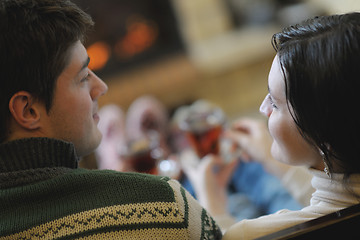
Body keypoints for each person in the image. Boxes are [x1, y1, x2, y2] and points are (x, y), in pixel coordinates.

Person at [0, 0, 222, 239]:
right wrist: (214, 206)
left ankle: (112, 159)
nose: (101, 87)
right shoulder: (163, 205)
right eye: (83, 77)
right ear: (28, 111)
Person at [185, 12, 360, 239]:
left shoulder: (248, 235)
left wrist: (212, 206)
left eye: (275, 103)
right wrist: (271, 157)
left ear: (322, 135)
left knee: (239, 184)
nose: (262, 108)